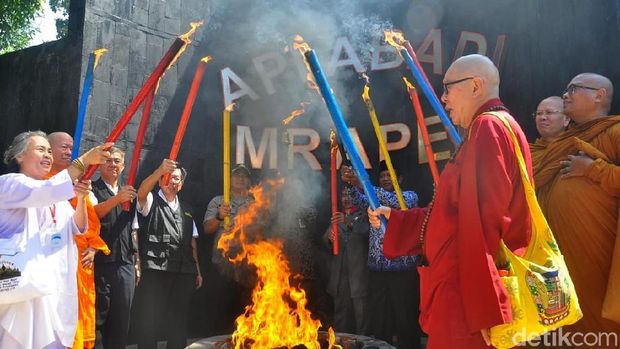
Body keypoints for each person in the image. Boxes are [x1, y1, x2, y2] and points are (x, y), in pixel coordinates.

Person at [368, 54, 532, 348]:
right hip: (466, 289)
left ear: (476, 85)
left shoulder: (489, 128)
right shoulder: (492, 128)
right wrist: (398, 219)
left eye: (448, 88)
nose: (443, 98)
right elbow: (453, 212)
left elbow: (484, 221)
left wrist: (486, 309)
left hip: (468, 297)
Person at [0, 130, 109, 348]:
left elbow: (76, 227)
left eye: (50, 151)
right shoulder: (9, 183)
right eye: (41, 149)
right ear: (19, 156)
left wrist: (79, 199)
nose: (48, 155)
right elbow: (43, 191)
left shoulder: (56, 195)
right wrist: (85, 160)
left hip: (54, 289)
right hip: (22, 288)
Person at [534, 73, 620, 339]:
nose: (565, 94)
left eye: (574, 89)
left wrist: (595, 169)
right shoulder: (560, 142)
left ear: (599, 95)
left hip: (598, 257)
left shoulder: (615, 131)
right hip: (558, 257)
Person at [342, 160, 420, 348]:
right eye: (382, 176)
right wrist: (349, 182)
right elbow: (357, 199)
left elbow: (389, 200)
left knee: (405, 317)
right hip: (377, 270)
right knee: (380, 317)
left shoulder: (408, 198)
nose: (385, 179)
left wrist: (362, 183)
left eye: (389, 175)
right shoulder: (372, 198)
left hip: (402, 270)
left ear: (399, 179)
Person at [47, 131, 111, 349]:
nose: (68, 152)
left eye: (70, 147)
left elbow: (91, 224)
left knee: (78, 312)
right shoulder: (42, 183)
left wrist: (93, 248)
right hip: (54, 262)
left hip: (80, 263)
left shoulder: (77, 183)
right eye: (63, 147)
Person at [133, 159, 202, 349]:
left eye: (177, 179)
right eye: (170, 177)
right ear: (163, 178)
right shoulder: (151, 199)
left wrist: (197, 270)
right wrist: (158, 171)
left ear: (182, 183)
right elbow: (140, 193)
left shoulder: (187, 209)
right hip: (156, 270)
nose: (173, 181)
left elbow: (192, 241)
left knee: (178, 320)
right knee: (150, 319)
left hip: (184, 271)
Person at [89, 147, 138, 349]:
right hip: (99, 263)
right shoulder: (91, 188)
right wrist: (117, 199)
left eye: (117, 161)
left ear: (124, 165)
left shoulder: (130, 193)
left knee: (121, 319)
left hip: (125, 264)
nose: (113, 164)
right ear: (100, 164)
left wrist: (137, 263)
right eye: (108, 160)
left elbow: (134, 230)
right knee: (98, 318)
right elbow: (94, 215)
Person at [202, 164, 254, 334]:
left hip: (249, 265)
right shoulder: (219, 201)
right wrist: (219, 216)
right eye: (236, 175)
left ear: (249, 181)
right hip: (222, 264)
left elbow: (267, 232)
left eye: (244, 176)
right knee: (221, 308)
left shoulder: (256, 202)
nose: (240, 179)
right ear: (229, 179)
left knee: (247, 309)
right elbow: (207, 229)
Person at [322, 190, 370, 335]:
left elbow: (366, 232)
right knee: (341, 312)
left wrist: (347, 221)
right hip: (340, 272)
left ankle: (364, 342)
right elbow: (325, 240)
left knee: (361, 313)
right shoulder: (336, 216)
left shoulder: (364, 215)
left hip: (358, 272)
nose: (346, 198)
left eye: (350, 195)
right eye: (343, 195)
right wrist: (329, 238)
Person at [530, 96, 570, 166]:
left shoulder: (572, 149)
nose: (543, 117)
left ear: (566, 119)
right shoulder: (527, 151)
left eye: (549, 112)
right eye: (539, 113)